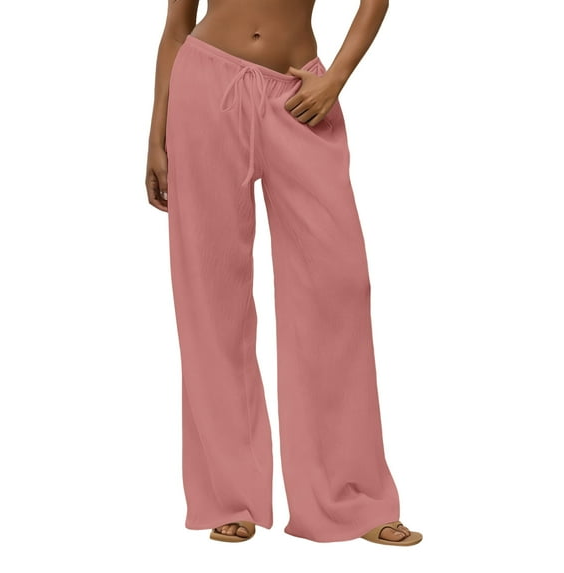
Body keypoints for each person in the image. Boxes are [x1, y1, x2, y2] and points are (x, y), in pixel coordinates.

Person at [145, 0, 422, 545]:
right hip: (205, 87)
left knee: (338, 288)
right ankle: (230, 495)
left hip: (301, 97)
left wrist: (336, 79)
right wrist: (157, 134)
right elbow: (176, 27)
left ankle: (349, 499)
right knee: (210, 294)